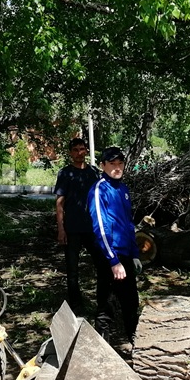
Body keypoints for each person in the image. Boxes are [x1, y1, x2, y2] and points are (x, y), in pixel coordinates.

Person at [88, 146, 141, 347]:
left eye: (120, 163)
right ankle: (102, 350)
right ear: (103, 166)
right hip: (108, 256)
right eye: (112, 164)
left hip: (125, 255)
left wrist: (134, 254)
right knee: (107, 304)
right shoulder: (99, 189)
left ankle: (136, 345)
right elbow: (100, 228)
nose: (117, 168)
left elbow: (128, 223)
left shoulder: (123, 189)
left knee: (131, 302)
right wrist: (113, 260)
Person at [54, 137, 101, 313]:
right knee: (72, 271)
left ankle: (103, 300)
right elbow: (59, 203)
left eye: (82, 149)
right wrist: (61, 228)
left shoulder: (94, 173)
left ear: (86, 151)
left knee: (102, 265)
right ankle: (76, 305)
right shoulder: (65, 173)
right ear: (70, 153)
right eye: (75, 150)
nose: (79, 153)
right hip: (72, 229)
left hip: (92, 229)